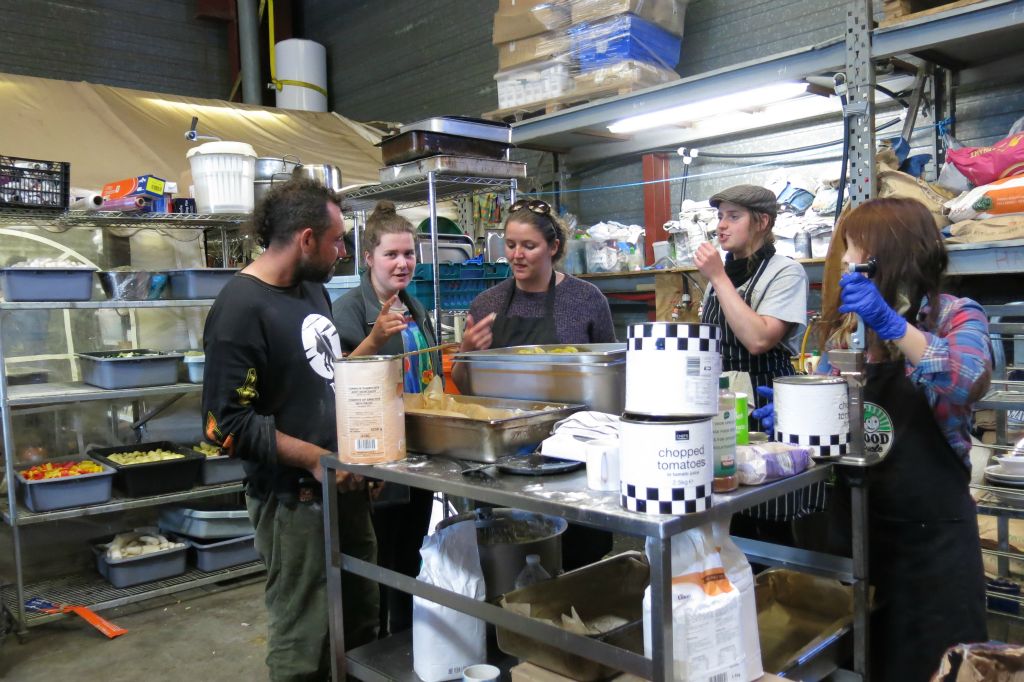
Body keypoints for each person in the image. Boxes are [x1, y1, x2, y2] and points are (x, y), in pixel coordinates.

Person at [201, 177, 378, 680]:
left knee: (361, 619)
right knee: (303, 636)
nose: (342, 251)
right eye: (337, 240)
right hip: (291, 501)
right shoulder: (240, 309)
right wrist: (314, 459)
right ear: (305, 239)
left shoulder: (312, 291)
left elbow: (328, 380)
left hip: (343, 482)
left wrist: (362, 450)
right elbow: (224, 425)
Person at [823, 197, 989, 680]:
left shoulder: (957, 316)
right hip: (859, 532)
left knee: (937, 665)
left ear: (889, 253)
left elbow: (966, 378)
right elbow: (828, 402)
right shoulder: (849, 329)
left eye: (855, 249)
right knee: (862, 662)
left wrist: (895, 326)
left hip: (932, 543)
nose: (848, 262)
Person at [455, 197, 616, 570]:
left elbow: (610, 376)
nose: (517, 255)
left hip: (575, 455)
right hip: (509, 458)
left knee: (579, 561)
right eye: (510, 245)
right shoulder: (487, 302)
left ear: (553, 247)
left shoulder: (586, 300)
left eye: (529, 246)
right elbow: (465, 387)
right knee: (514, 559)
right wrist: (466, 352)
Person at [332, 200, 437, 637]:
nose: (402, 263)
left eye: (409, 253)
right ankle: (370, 650)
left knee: (409, 558)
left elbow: (424, 373)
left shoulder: (412, 305)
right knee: (376, 564)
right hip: (374, 459)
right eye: (392, 254)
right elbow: (336, 381)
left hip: (416, 452)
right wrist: (374, 339)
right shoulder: (348, 311)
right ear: (368, 257)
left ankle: (407, 644)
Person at [694, 184, 819, 537]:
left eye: (734, 217)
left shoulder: (785, 272)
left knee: (769, 512)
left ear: (762, 221)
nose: (721, 226)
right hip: (723, 408)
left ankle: (776, 584)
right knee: (728, 511)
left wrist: (718, 277)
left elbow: (759, 338)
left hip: (766, 406)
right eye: (720, 217)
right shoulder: (719, 279)